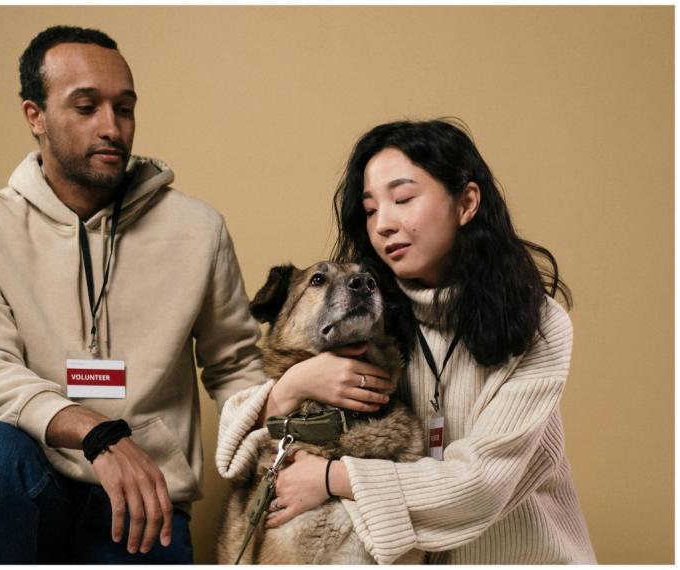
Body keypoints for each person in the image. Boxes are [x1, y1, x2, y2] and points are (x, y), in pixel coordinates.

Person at [0, 25, 265, 564]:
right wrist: (97, 434)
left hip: (145, 503)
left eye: (124, 108)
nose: (112, 128)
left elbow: (235, 367)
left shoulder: (198, 230)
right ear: (35, 116)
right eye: (86, 107)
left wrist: (284, 462)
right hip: (35, 484)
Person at [216, 119, 597, 563]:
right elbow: (234, 447)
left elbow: (480, 487)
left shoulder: (537, 324)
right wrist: (294, 386)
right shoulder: (377, 318)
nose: (382, 225)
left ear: (466, 203)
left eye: (403, 199)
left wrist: (330, 478)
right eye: (371, 209)